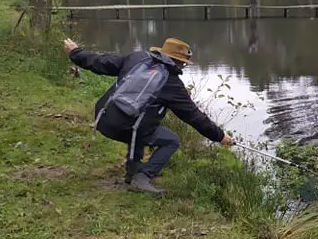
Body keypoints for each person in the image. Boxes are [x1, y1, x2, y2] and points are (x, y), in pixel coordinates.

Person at [63, 36, 233, 196]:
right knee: (171, 140)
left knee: (140, 124)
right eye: (183, 64)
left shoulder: (137, 58)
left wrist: (76, 52)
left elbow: (101, 62)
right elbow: (195, 117)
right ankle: (142, 177)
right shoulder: (172, 84)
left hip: (103, 118)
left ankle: (132, 172)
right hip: (124, 127)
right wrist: (219, 136)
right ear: (179, 63)